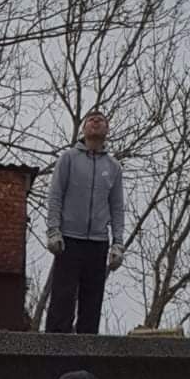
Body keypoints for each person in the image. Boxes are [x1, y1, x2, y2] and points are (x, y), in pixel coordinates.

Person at [45, 110, 124, 334]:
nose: (96, 122)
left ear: (107, 129)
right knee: (62, 301)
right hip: (69, 239)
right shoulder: (68, 159)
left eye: (101, 120)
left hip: (98, 242)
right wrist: (53, 231)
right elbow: (55, 196)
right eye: (91, 119)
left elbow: (117, 207)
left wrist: (118, 243)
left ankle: (86, 360)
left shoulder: (113, 167)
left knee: (92, 304)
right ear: (84, 128)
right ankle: (53, 357)